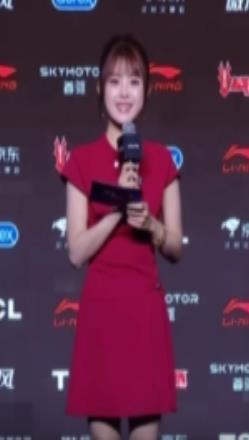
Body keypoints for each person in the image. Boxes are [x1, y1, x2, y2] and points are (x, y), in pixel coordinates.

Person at [61, 34, 182, 440]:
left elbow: (175, 246)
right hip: (101, 314)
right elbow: (76, 252)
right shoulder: (81, 161)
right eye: (114, 81)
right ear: (100, 89)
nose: (125, 92)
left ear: (147, 89)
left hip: (144, 313)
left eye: (134, 81)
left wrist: (153, 227)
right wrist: (117, 206)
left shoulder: (162, 160)